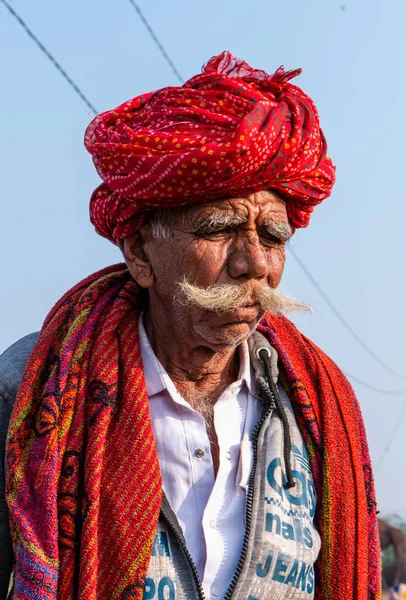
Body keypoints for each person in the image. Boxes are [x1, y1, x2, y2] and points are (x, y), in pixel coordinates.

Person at [0, 51, 381, 600]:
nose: (255, 263)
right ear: (139, 253)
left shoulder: (321, 407)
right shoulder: (39, 385)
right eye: (221, 229)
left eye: (273, 238)